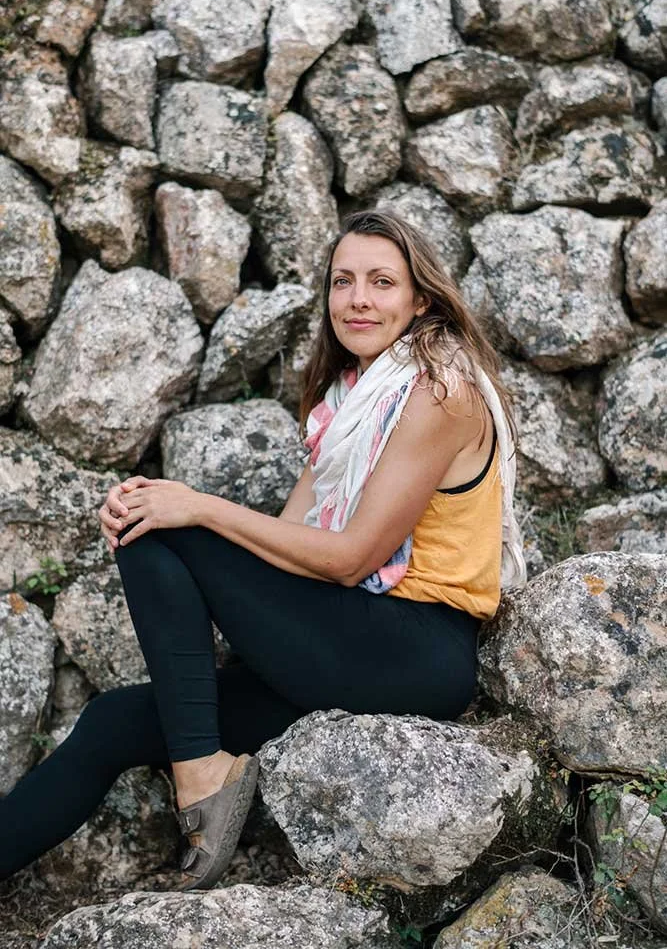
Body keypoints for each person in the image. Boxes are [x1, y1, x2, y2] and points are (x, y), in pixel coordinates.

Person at [0, 209, 526, 888]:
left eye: (380, 282)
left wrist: (194, 509)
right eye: (342, 282)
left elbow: (348, 558)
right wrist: (176, 518)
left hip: (414, 649)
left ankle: (202, 777)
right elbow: (290, 547)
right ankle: (203, 767)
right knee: (111, 720)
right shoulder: (347, 401)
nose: (357, 299)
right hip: (346, 636)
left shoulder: (438, 390)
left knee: (169, 522)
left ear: (420, 299)